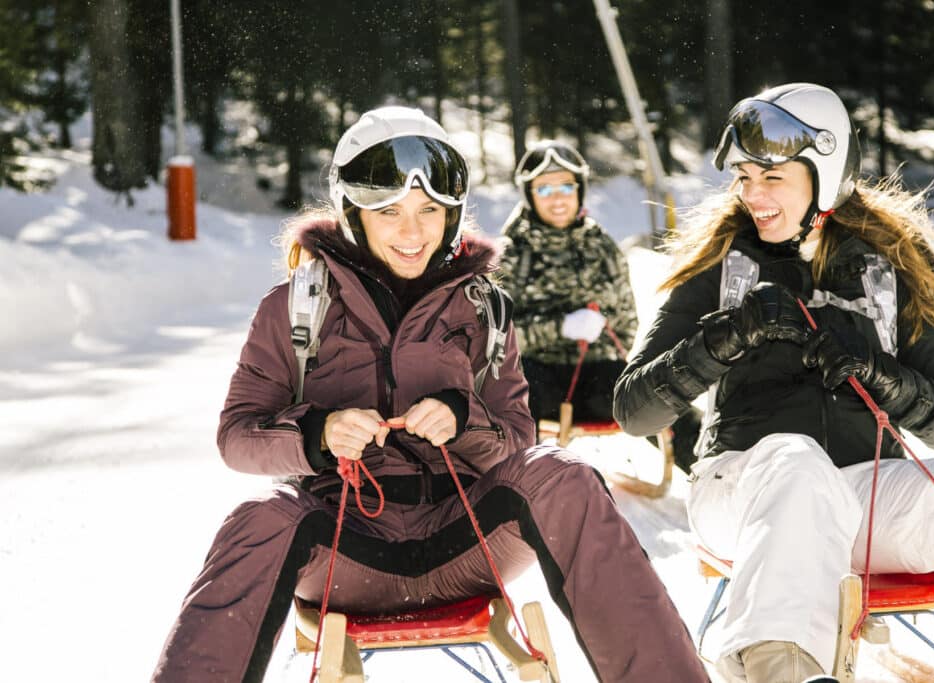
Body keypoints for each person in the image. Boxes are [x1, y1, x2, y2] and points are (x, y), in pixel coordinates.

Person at [151, 106, 709, 682]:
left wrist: (462, 419)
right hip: (346, 548)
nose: (413, 232)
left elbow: (517, 434)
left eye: (430, 211)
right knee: (261, 515)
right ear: (353, 214)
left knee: (563, 473)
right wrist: (317, 434)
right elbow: (237, 436)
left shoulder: (482, 307)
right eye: (389, 212)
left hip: (464, 542)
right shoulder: (295, 308)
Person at [613, 82, 934, 682]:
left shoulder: (885, 267)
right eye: (745, 176)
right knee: (795, 460)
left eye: (771, 177)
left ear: (825, 176)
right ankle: (781, 670)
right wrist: (724, 337)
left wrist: (877, 372)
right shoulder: (722, 266)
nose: (753, 194)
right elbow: (634, 411)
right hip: (743, 490)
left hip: (865, 495)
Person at [498, 140, 703, 472]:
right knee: (514, 395)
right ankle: (518, 484)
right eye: (545, 189)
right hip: (535, 377)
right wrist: (560, 327)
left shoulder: (601, 247)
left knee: (653, 388)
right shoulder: (510, 254)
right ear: (529, 195)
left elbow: (627, 325)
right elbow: (496, 340)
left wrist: (599, 335)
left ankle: (708, 464)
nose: (558, 197)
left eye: (566, 185)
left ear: (579, 190)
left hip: (595, 376)